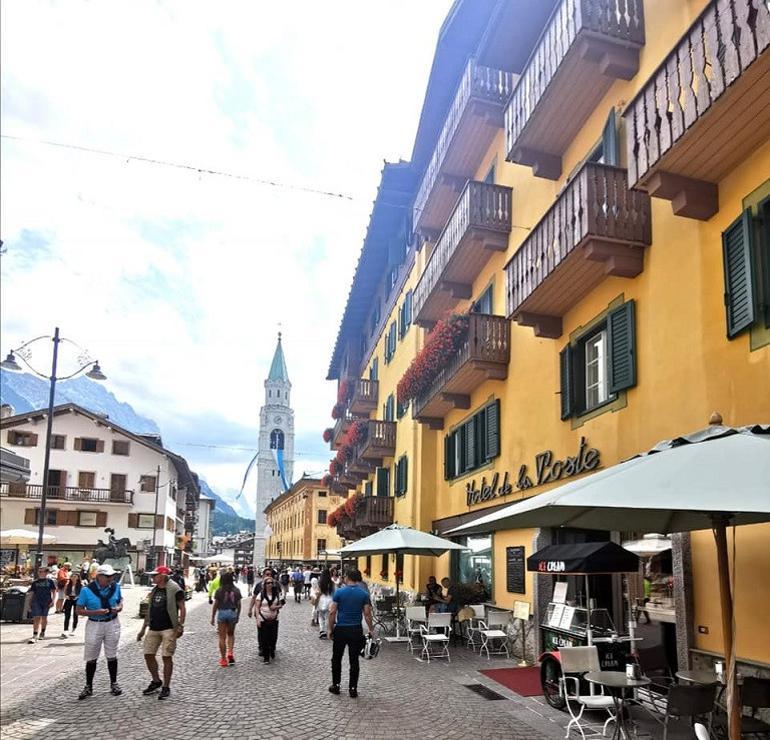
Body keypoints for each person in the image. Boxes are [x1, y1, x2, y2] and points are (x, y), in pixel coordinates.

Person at [75, 563, 124, 699]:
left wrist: (118, 608)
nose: (111, 579)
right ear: (99, 577)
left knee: (112, 654)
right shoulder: (86, 590)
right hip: (95, 623)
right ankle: (88, 686)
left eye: (112, 576)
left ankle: (114, 683)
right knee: (91, 656)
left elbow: (120, 601)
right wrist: (96, 612)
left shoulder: (116, 587)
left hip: (112, 622)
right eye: (108, 576)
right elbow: (78, 610)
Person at [137, 565, 186, 699]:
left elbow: (182, 607)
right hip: (154, 627)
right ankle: (156, 680)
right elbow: (149, 610)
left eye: (155, 575)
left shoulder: (175, 589)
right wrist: (143, 629)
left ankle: (166, 686)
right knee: (148, 654)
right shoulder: (155, 590)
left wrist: (180, 625)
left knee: (166, 657)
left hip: (169, 627)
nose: (152, 578)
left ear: (163, 576)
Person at [327, 568, 375, 698]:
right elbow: (367, 614)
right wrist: (371, 629)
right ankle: (353, 688)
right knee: (354, 660)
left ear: (347, 577)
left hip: (341, 629)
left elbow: (332, 612)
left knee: (336, 658)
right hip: (356, 629)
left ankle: (336, 685)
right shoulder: (363, 594)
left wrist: (330, 629)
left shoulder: (339, 592)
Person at [251, 574, 283, 663]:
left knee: (273, 638)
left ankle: (272, 649)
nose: (270, 584)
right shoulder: (260, 595)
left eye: (271, 583)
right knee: (264, 638)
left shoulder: (276, 594)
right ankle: (266, 657)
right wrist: (257, 619)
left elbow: (281, 605)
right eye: (268, 583)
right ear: (264, 585)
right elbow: (257, 608)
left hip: (274, 619)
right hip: (263, 618)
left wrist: (275, 607)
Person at [211, 571, 241, 667]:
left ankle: (223, 659)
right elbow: (239, 604)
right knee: (231, 634)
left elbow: (215, 605)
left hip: (222, 613)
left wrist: (212, 617)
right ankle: (230, 653)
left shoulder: (219, 590)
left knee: (222, 637)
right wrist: (238, 615)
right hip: (232, 612)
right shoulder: (236, 590)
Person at [27, 566, 56, 643]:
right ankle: (35, 634)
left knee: (44, 617)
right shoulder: (35, 582)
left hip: (47, 602)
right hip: (36, 601)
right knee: (36, 618)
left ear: (46, 573)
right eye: (39, 571)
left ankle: (42, 632)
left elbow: (53, 591)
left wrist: (53, 601)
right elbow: (32, 593)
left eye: (42, 571)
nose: (40, 573)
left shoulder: (50, 581)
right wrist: (29, 603)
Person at [61, 572, 83, 638]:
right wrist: (66, 596)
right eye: (72, 576)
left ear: (78, 578)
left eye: (75, 576)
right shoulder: (68, 584)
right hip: (69, 599)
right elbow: (64, 591)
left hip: (76, 599)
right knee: (67, 615)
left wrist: (78, 597)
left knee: (75, 614)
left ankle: (74, 629)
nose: (74, 578)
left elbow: (82, 592)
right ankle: (66, 629)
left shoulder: (81, 585)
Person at [317, 569, 335, 639]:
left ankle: (322, 630)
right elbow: (334, 592)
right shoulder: (332, 583)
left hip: (321, 600)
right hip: (330, 600)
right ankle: (328, 630)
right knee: (328, 617)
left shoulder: (320, 583)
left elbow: (318, 592)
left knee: (320, 616)